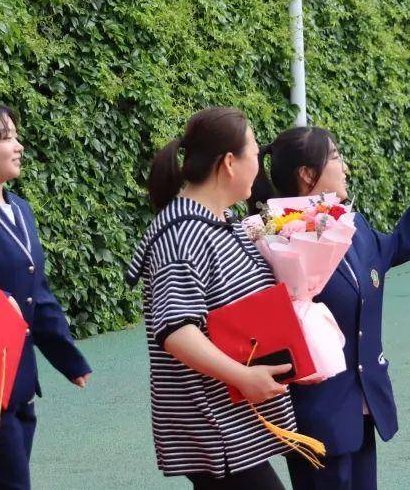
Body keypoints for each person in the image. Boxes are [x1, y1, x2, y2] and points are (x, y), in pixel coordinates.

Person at [249, 127, 410, 490]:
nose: (346, 167)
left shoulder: (349, 224)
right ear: (307, 175)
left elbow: (395, 246)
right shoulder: (274, 240)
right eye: (337, 157)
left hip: (361, 406)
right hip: (315, 416)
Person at [126, 107, 298, 490]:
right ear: (230, 163)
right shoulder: (182, 233)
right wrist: (243, 377)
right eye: (254, 153)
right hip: (212, 423)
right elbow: (176, 331)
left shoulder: (221, 221)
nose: (259, 164)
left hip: (230, 418)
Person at [0, 96, 91, 490]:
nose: (19, 146)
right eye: (6, 137)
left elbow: (35, 291)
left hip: (19, 377)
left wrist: (68, 357)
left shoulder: (20, 207)